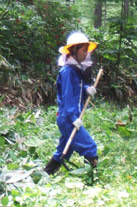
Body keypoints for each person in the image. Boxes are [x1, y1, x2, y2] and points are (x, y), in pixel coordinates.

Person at [44, 32, 98, 175]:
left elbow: (78, 89)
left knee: (63, 152)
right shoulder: (68, 71)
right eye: (84, 50)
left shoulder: (76, 70)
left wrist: (87, 89)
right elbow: (67, 98)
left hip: (71, 117)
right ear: (74, 50)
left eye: (87, 50)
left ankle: (46, 174)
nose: (87, 54)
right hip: (68, 118)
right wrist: (73, 118)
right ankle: (90, 179)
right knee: (90, 147)